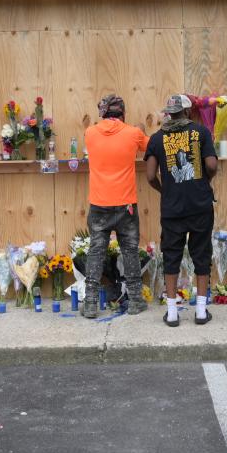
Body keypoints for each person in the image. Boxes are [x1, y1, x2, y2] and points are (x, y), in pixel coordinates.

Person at [145, 94, 218, 327]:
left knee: (172, 257)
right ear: (187, 111)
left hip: (172, 209)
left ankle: (173, 313)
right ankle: (200, 311)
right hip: (200, 206)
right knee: (202, 255)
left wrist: (164, 190)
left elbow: (149, 176)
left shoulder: (156, 139)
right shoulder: (201, 132)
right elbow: (211, 165)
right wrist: (205, 180)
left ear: (168, 113)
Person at [81, 94, 148, 319]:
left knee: (96, 251)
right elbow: (149, 148)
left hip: (99, 204)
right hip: (126, 205)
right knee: (129, 251)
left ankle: (90, 303)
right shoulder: (133, 133)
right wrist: (141, 129)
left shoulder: (90, 132)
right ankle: (136, 300)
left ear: (102, 112)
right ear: (123, 113)